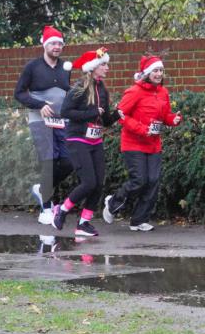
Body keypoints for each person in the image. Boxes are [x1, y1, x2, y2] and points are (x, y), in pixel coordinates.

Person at [102, 55, 182, 231]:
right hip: (133, 143)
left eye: (161, 70)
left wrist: (173, 119)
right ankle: (113, 202)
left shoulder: (163, 92)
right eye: (155, 70)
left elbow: (165, 115)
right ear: (147, 73)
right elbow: (121, 116)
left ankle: (139, 220)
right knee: (139, 180)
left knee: (153, 181)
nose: (159, 74)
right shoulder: (134, 92)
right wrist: (141, 129)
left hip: (153, 144)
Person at [52, 47, 120, 237]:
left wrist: (116, 115)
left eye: (106, 64)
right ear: (93, 67)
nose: (107, 68)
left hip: (95, 141)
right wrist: (91, 113)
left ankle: (83, 223)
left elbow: (104, 120)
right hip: (77, 138)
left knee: (98, 183)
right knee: (89, 181)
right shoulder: (79, 87)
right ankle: (62, 209)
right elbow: (65, 112)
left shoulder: (103, 90)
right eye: (103, 64)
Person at [14, 25, 74, 225]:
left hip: (61, 122)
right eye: (53, 43)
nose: (57, 47)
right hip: (40, 121)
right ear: (45, 45)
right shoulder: (33, 67)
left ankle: (42, 189)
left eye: (60, 44)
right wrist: (40, 105)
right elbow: (19, 93)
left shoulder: (65, 67)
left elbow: (66, 93)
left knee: (68, 162)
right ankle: (46, 208)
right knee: (48, 161)